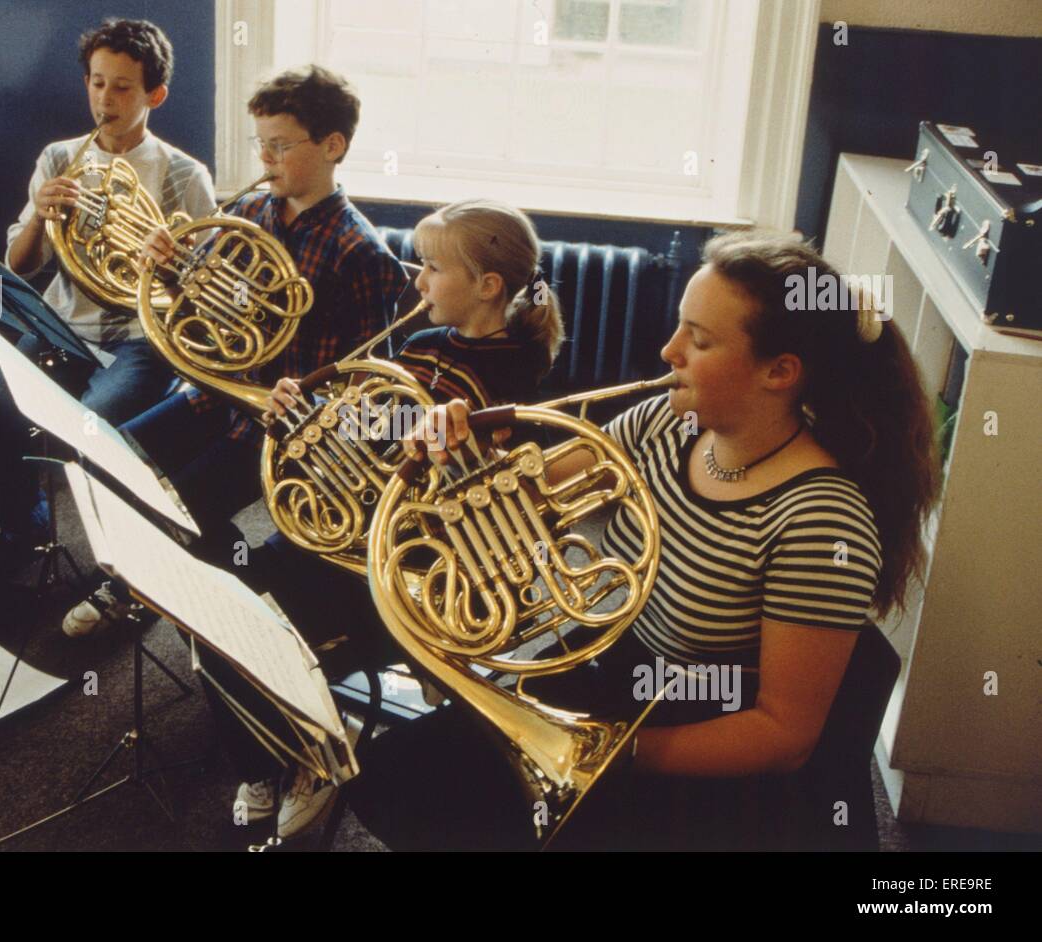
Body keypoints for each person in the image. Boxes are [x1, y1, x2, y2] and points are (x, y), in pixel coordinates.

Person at [346, 229, 939, 851]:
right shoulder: (669, 421)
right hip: (618, 673)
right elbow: (525, 487)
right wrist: (456, 449)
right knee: (397, 776)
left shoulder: (822, 519)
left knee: (477, 818)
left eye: (700, 341)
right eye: (679, 326)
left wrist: (602, 755)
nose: (667, 350)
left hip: (702, 733)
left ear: (780, 372)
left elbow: (783, 734)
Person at [207, 198, 565, 840]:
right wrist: (302, 409)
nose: (418, 281)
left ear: (487, 287)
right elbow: (372, 420)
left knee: (262, 640)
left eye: (432, 268)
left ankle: (315, 758)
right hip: (349, 539)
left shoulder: (517, 370)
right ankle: (276, 755)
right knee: (214, 605)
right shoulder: (425, 341)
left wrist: (394, 427)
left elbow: (448, 455)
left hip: (412, 571)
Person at [61, 65, 407, 633]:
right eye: (260, 145)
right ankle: (167, 573)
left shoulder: (360, 251)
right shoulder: (247, 214)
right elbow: (204, 313)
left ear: (332, 146)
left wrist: (309, 404)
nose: (264, 160)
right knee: (119, 458)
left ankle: (223, 591)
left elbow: (370, 377)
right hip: (215, 395)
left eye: (279, 147)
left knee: (187, 501)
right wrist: (170, 272)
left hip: (282, 428)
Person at [0, 18, 216, 578]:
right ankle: (22, 534)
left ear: (156, 94)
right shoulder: (59, 158)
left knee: (93, 431)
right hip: (61, 324)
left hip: (140, 337)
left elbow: (201, 294)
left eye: (123, 87)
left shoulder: (183, 175)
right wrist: (40, 218)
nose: (106, 98)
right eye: (97, 83)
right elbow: (21, 265)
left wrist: (170, 266)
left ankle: (126, 570)